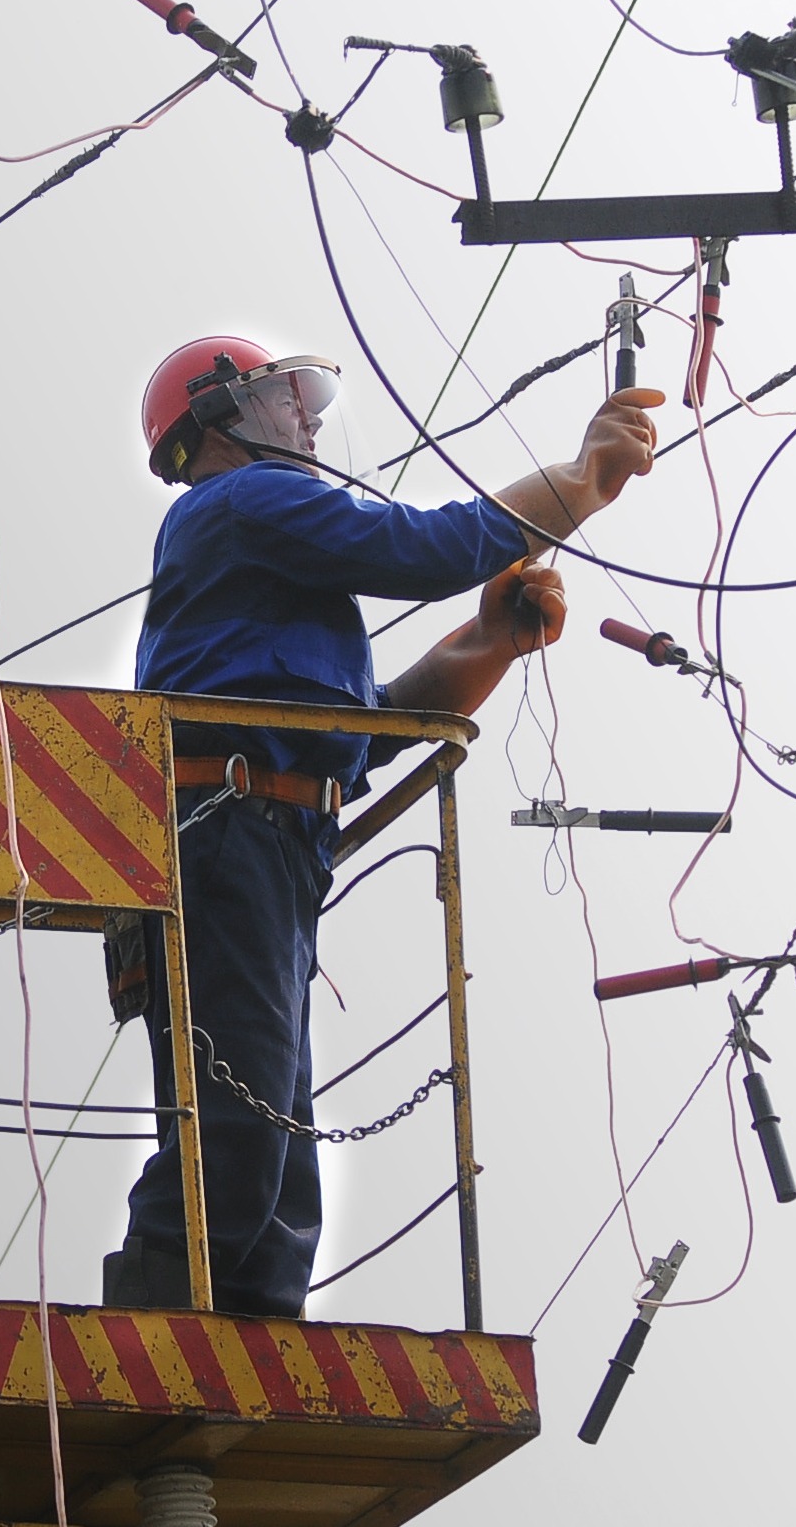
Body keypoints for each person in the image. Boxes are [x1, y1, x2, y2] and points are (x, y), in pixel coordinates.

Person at [103, 335, 662, 1316]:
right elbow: (424, 549)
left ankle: (248, 1344)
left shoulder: (265, 577)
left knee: (274, 1160)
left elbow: (371, 729)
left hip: (261, 839)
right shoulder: (242, 501)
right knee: (237, 1131)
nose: (310, 419)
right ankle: (145, 1335)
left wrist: (488, 642)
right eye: (288, 399)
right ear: (222, 417)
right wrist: (579, 482)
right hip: (225, 834)